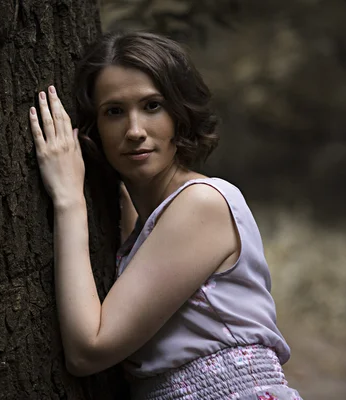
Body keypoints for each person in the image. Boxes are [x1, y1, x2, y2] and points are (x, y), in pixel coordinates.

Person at [28, 31, 302, 400]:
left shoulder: (203, 203)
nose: (135, 131)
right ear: (94, 129)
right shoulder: (145, 221)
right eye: (114, 112)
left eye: (152, 105)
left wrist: (68, 200)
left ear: (179, 113)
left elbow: (88, 350)